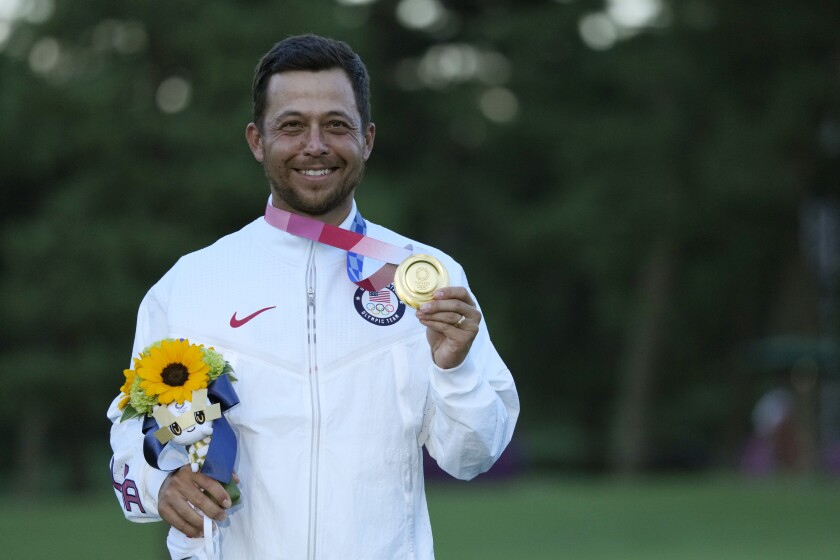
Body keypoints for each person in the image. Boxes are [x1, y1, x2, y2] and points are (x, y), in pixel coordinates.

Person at [107, 34, 519, 560]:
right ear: (257, 140)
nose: (316, 145)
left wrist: (455, 370)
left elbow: (473, 455)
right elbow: (129, 436)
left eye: (337, 125)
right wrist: (157, 483)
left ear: (367, 138)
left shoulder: (428, 275)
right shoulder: (191, 284)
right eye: (292, 125)